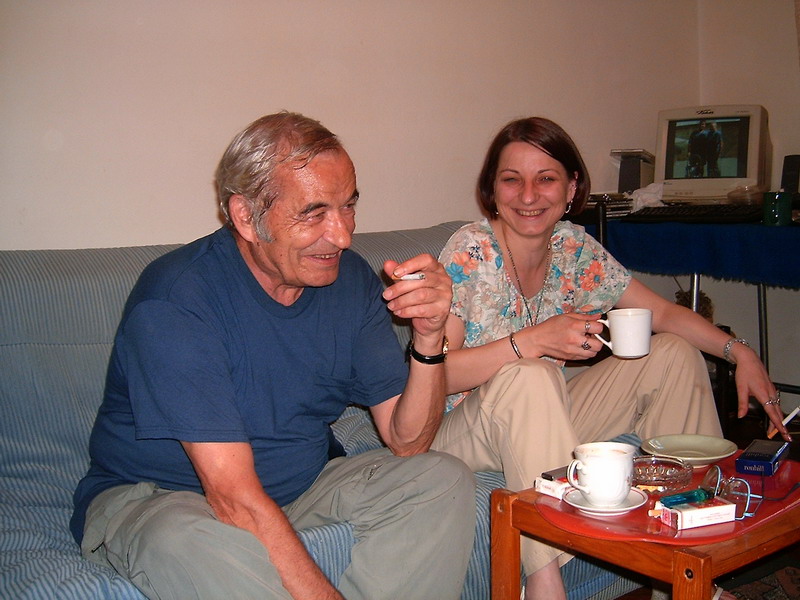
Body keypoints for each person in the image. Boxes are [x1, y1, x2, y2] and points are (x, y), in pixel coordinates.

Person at [70, 112, 476, 600]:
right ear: (245, 216)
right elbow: (233, 497)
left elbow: (408, 443)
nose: (343, 236)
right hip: (166, 496)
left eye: (348, 206)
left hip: (302, 485)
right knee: (188, 541)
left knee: (440, 478)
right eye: (314, 213)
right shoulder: (177, 300)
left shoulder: (350, 282)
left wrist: (429, 338)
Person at [432, 116, 790, 600]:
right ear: (492, 190)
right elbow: (437, 375)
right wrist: (531, 342)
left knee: (672, 353)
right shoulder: (470, 251)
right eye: (512, 179)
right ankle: (543, 580)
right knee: (531, 375)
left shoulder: (573, 248)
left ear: (571, 187)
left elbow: (663, 313)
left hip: (538, 414)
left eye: (546, 178)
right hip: (460, 430)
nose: (528, 195)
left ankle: (689, 560)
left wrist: (739, 351)